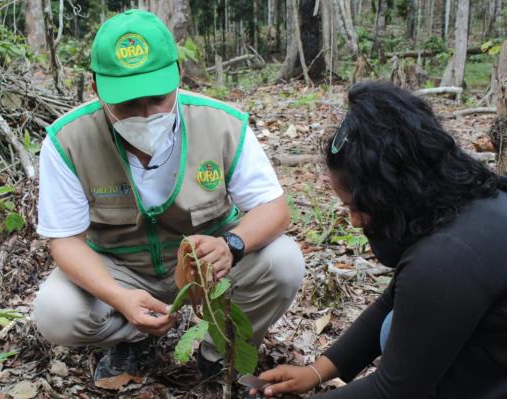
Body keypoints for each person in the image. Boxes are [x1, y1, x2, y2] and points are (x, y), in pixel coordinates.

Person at [32, 9, 305, 382]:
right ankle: (134, 336)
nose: (145, 114)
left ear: (178, 74)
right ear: (96, 88)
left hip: (208, 268)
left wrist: (232, 245)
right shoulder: (68, 142)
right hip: (123, 270)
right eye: (128, 103)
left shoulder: (221, 124)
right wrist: (119, 298)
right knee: (55, 311)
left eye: (158, 98)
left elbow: (274, 208)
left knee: (284, 261)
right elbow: (65, 241)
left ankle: (218, 351)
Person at [252, 81, 507, 398]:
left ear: (388, 192)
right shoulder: (473, 198)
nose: (355, 220)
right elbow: (398, 298)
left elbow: (393, 391)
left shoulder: (446, 260)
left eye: (356, 207)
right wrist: (316, 371)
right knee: (394, 325)